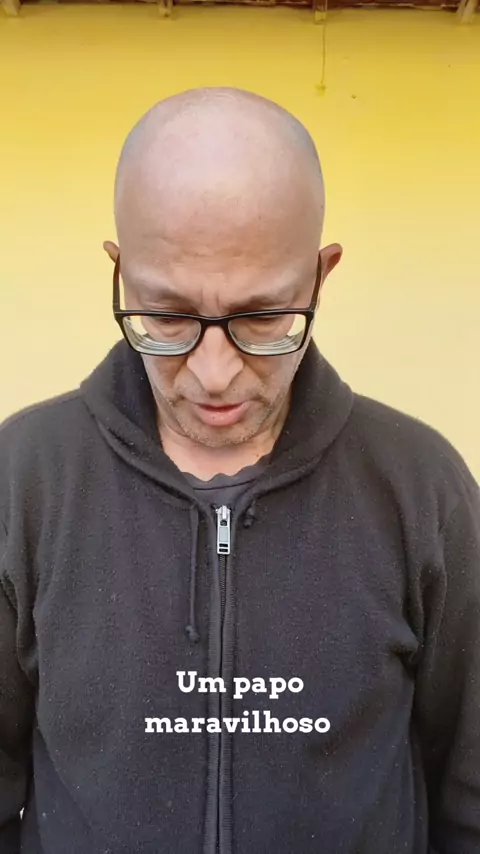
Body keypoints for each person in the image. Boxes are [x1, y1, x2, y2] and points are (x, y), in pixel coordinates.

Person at [0, 87, 479, 854]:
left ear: (320, 277)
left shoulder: (424, 492)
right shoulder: (23, 482)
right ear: (121, 273)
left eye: (261, 317)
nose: (214, 372)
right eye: (168, 315)